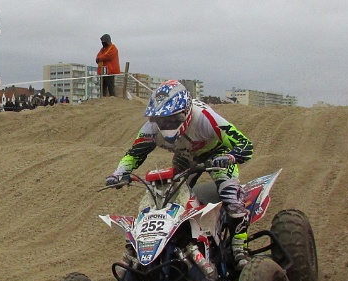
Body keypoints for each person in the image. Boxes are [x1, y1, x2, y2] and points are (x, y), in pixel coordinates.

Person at [104, 80, 255, 270]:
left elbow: (245, 145)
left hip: (217, 154)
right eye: (161, 120)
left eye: (171, 119)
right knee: (170, 199)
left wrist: (230, 157)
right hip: (185, 156)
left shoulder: (205, 118)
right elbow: (134, 153)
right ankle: (175, 247)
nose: (166, 124)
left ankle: (240, 248)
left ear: (185, 112)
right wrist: (119, 173)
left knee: (231, 198)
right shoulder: (151, 129)